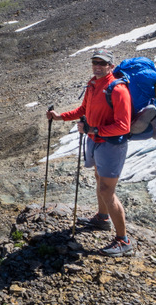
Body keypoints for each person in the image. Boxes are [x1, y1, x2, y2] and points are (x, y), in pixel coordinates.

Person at [46, 48, 134, 256]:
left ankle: (123, 240)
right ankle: (102, 219)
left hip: (111, 145)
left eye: (102, 63)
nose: (98, 66)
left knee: (106, 190)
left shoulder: (118, 90)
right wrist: (60, 117)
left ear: (111, 66)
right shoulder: (93, 85)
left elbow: (124, 126)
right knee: (98, 179)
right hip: (95, 141)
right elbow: (83, 110)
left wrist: (94, 130)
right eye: (95, 62)